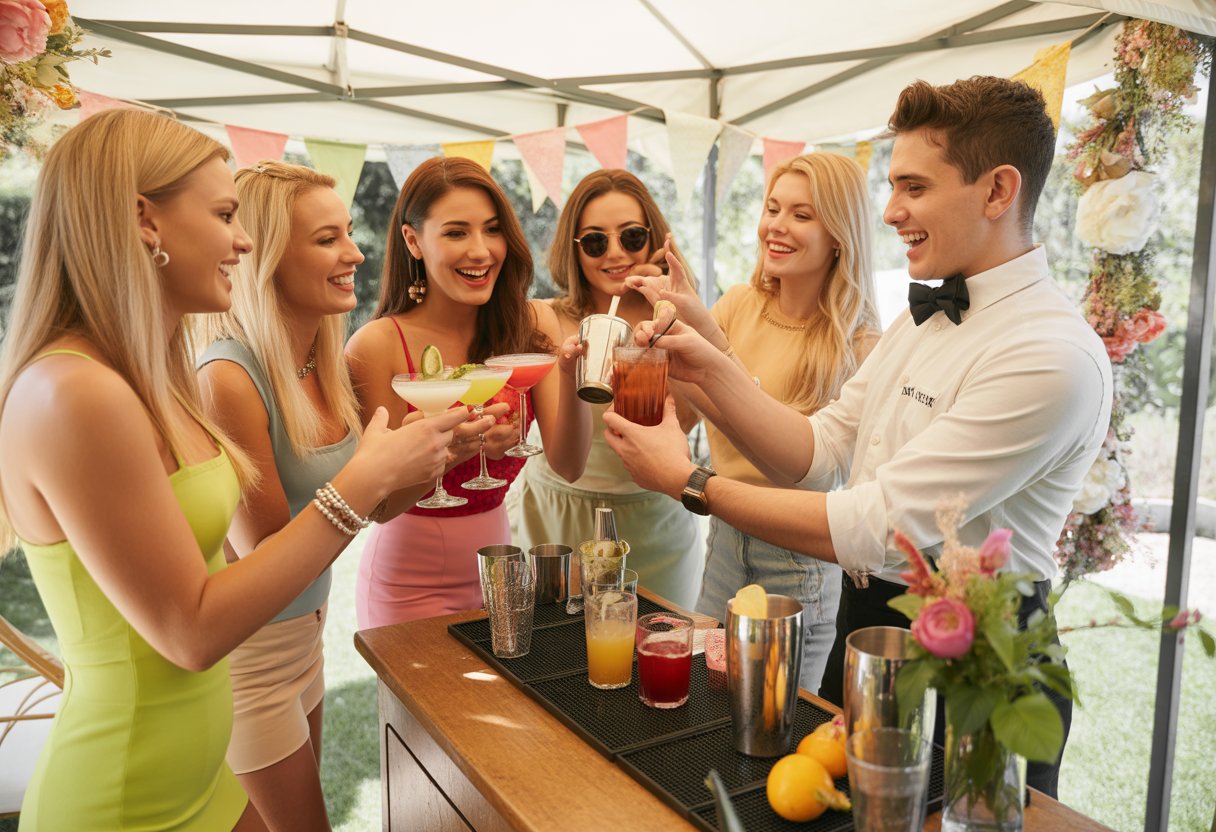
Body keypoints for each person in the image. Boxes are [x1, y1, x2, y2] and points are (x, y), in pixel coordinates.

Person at [603, 77, 1113, 797]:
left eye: (912, 187)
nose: (890, 210)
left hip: (982, 664)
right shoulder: (921, 319)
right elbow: (819, 452)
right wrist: (712, 367)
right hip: (868, 628)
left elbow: (871, 525)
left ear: (998, 191)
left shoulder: (1049, 355)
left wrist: (687, 482)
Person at [0, 110, 485, 831]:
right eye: (225, 213)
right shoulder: (73, 393)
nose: (244, 239)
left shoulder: (143, 381)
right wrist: (362, 482)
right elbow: (189, 631)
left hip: (203, 772)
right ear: (144, 220)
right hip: (127, 794)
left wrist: (401, 463)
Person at [194, 162, 502, 830]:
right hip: (253, 655)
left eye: (350, 233)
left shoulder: (318, 363)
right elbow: (269, 554)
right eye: (327, 239)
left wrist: (436, 451)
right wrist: (373, 475)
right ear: (267, 255)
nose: (356, 252)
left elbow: (382, 505)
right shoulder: (229, 376)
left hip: (305, 638)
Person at [626, 153, 881, 688]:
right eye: (772, 208)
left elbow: (798, 464)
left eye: (802, 214)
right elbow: (690, 407)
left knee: (773, 725)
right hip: (723, 537)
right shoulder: (738, 304)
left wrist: (709, 354)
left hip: (799, 563)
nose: (777, 226)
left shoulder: (858, 343)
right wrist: (646, 343)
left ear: (840, 233)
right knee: (704, 699)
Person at [346, 156, 591, 628]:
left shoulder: (530, 324)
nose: (481, 250)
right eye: (456, 232)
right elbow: (378, 506)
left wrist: (570, 376)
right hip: (405, 583)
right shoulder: (376, 345)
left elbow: (570, 465)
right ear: (413, 241)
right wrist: (460, 448)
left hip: (499, 570)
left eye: (492, 229)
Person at [512, 169, 704, 609]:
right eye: (597, 241)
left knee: (657, 656)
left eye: (632, 237)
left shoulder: (673, 315)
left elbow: (685, 424)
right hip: (558, 515)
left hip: (654, 518)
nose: (615, 253)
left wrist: (670, 314)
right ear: (575, 250)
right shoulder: (544, 318)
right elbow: (567, 464)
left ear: (653, 240)